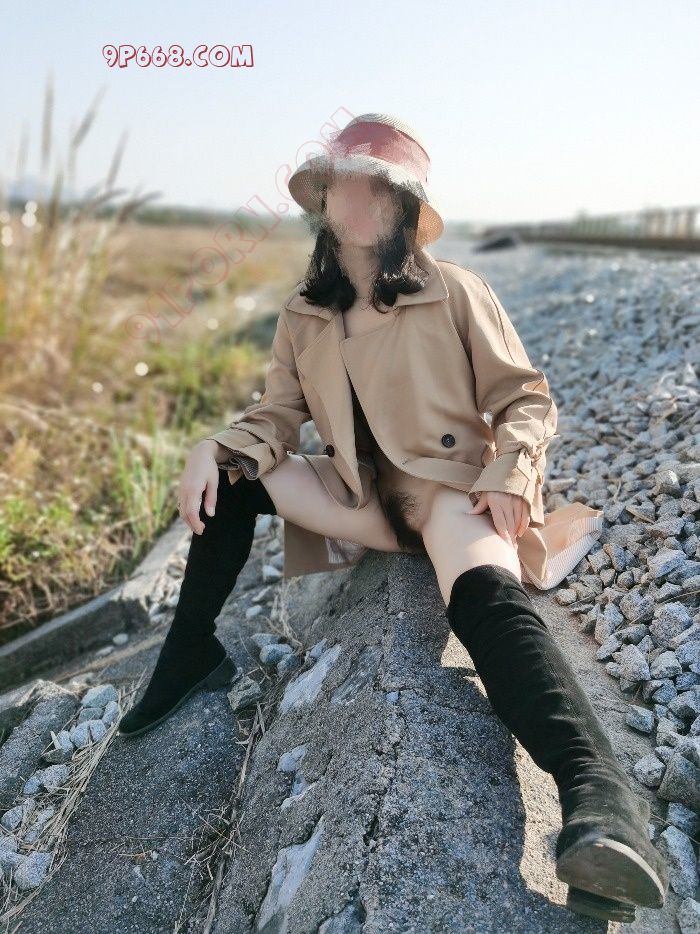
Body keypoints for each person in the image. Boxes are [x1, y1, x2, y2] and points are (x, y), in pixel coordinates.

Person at [118, 114, 669, 922]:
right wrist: (216, 446)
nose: (357, 195)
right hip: (361, 497)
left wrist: (512, 473)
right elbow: (276, 418)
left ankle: (601, 805)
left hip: (450, 492)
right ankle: (191, 653)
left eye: (377, 185)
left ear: (403, 205)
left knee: (485, 601)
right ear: (324, 197)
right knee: (230, 481)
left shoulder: (457, 290)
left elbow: (525, 398)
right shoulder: (304, 312)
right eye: (343, 180)